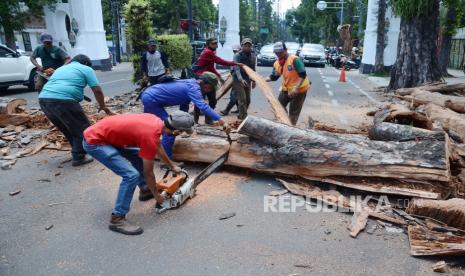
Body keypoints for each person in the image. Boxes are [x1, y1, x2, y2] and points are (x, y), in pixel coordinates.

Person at [83, 111, 191, 235]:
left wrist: (171, 165)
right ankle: (117, 218)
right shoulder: (149, 135)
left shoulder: (155, 120)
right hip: (95, 141)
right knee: (131, 175)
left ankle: (145, 190)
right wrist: (157, 196)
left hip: (108, 137)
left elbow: (157, 145)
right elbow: (148, 172)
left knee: (139, 156)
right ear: (175, 130)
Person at [39, 54, 114, 166]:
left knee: (67, 128)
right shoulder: (86, 69)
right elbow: (97, 90)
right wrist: (103, 106)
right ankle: (78, 157)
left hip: (44, 99)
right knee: (83, 129)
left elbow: (62, 84)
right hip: (63, 101)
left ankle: (77, 151)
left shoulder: (61, 68)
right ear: (86, 64)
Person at [140, 72, 227, 159]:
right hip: (151, 99)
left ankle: (147, 148)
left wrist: (183, 125)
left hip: (149, 95)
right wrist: (220, 119)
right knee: (170, 130)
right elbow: (203, 106)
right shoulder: (194, 88)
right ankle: (167, 161)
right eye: (210, 87)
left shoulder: (191, 83)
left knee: (152, 127)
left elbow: (184, 106)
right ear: (203, 83)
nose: (211, 90)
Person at [192, 37, 244, 124]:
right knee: (200, 101)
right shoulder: (208, 52)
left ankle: (208, 119)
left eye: (216, 43)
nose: (216, 45)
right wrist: (236, 63)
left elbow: (211, 67)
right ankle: (195, 122)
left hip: (209, 79)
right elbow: (220, 61)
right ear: (208, 44)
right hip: (202, 79)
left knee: (212, 100)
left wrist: (219, 76)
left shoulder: (211, 52)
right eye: (213, 43)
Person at [266, 42, 310, 126]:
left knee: (293, 112)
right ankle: (285, 123)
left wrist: (295, 89)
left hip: (299, 89)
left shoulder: (294, 59)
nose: (278, 54)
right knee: (278, 106)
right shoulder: (277, 63)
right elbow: (274, 77)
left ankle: (291, 128)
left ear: (286, 50)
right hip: (286, 89)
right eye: (276, 53)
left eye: (280, 52)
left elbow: (302, 75)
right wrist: (262, 79)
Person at [230, 38, 256, 120]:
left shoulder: (252, 56)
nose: (247, 47)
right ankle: (243, 118)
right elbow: (236, 69)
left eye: (249, 46)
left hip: (247, 78)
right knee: (242, 100)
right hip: (238, 79)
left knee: (248, 100)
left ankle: (241, 114)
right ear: (242, 46)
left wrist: (254, 80)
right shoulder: (237, 55)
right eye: (245, 46)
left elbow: (253, 69)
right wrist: (241, 79)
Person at [220, 44, 242, 116]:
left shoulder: (241, 57)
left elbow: (238, 69)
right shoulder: (236, 56)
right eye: (234, 51)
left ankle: (226, 110)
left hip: (239, 79)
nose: (235, 52)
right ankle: (239, 109)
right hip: (234, 78)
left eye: (236, 50)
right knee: (234, 95)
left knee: (233, 96)